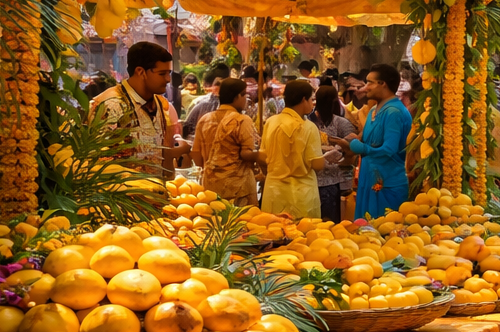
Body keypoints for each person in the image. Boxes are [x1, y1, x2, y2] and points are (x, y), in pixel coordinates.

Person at [90, 42, 186, 177]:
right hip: (121, 195)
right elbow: (97, 164)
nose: (168, 79)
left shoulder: (161, 104)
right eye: (162, 73)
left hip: (156, 193)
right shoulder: (109, 105)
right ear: (140, 72)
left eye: (169, 73)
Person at [350, 64, 412, 218]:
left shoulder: (394, 112)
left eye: (370, 82)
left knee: (383, 235)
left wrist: (363, 149)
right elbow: (365, 139)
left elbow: (389, 150)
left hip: (386, 185)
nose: (366, 87)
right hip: (368, 181)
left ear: (383, 84)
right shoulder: (374, 110)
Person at [260, 80, 326, 219]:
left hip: (274, 193)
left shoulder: (271, 122)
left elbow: (262, 157)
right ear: (303, 99)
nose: (312, 103)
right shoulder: (308, 127)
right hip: (302, 196)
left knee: (273, 234)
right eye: (310, 99)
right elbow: (317, 165)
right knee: (303, 238)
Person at [190, 78, 260, 206]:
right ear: (237, 96)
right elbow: (246, 154)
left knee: (214, 224)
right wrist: (263, 155)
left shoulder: (205, 119)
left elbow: (195, 154)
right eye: (244, 94)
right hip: (239, 189)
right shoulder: (241, 120)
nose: (246, 99)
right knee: (243, 223)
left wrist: (209, 167)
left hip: (211, 187)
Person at [308, 85, 356, 222]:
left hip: (332, 181)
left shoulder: (341, 123)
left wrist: (335, 143)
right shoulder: (307, 122)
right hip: (311, 179)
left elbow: (352, 151)